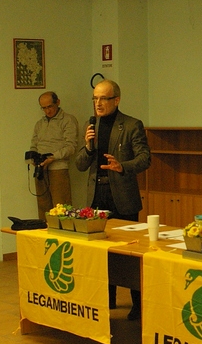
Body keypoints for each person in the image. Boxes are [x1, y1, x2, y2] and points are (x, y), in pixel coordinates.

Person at [76, 79, 151, 320]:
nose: (97, 104)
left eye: (102, 99)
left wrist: (122, 166)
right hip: (97, 198)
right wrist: (88, 148)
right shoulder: (91, 126)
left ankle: (137, 306)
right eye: (94, 99)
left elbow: (145, 158)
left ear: (116, 100)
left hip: (122, 199)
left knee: (129, 257)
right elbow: (80, 165)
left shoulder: (131, 125)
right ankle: (106, 300)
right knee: (101, 255)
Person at [30, 91, 79, 218]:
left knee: (61, 207)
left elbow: (71, 146)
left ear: (57, 102)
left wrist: (53, 157)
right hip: (40, 169)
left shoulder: (68, 120)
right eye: (44, 108)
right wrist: (33, 158)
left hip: (58, 168)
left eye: (50, 106)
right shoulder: (39, 124)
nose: (48, 111)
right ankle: (43, 233)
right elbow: (34, 144)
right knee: (43, 206)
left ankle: (64, 234)